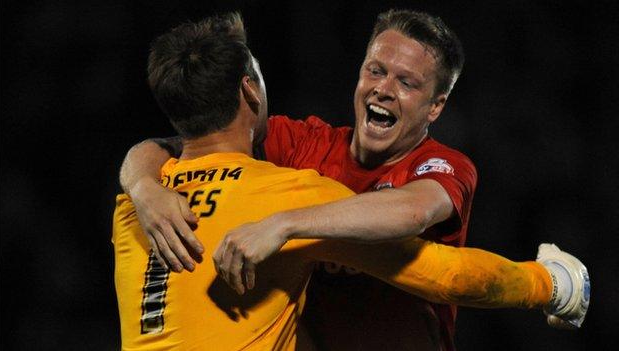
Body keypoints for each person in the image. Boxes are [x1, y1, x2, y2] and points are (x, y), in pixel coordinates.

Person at [118, 10, 590, 350]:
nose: (384, 88)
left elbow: (413, 212)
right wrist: (144, 189)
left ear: (436, 107)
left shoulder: (443, 165)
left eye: (407, 83)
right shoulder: (299, 150)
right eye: (376, 70)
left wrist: (284, 224)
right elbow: (176, 140)